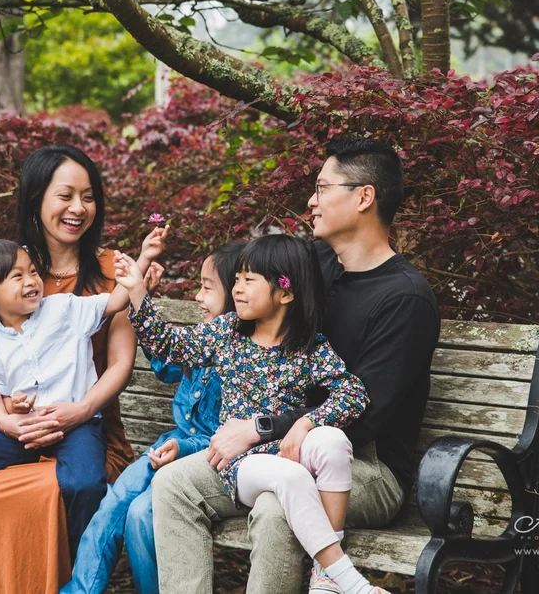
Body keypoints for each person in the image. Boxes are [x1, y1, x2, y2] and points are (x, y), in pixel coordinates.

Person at [151, 137, 440, 594]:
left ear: (364, 196)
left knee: (275, 507)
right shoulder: (313, 266)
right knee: (172, 486)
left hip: (363, 465)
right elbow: (252, 301)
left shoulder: (404, 298)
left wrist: (262, 426)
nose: (312, 200)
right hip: (274, 451)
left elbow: (367, 413)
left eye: (323, 188)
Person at [119, 233, 376, 593]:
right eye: (236, 279)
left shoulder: (309, 348)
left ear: (286, 292)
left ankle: (338, 578)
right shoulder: (227, 332)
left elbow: (353, 392)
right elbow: (171, 346)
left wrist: (307, 421)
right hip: (235, 465)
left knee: (283, 495)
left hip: (279, 464)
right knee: (170, 484)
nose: (237, 288)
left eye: (249, 280)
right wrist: (137, 293)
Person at [0, 228, 166, 594]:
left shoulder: (64, 308)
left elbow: (115, 302)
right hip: (26, 429)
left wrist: (143, 260)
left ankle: (75, 563)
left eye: (32, 272)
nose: (31, 281)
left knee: (85, 483)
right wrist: (13, 407)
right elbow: (5, 396)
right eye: (16, 277)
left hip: (78, 425)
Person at [0, 145, 142, 594]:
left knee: (49, 491)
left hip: (89, 436)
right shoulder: (11, 268)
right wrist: (4, 418)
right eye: (65, 195)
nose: (78, 208)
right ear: (37, 199)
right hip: (20, 434)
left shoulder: (108, 269)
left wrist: (80, 411)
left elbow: (121, 363)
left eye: (89, 196)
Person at [63, 240, 247, 594]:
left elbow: (237, 438)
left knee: (142, 514)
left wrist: (185, 447)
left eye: (207, 288)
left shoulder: (248, 353)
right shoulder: (202, 337)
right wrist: (140, 295)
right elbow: (165, 365)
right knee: (115, 502)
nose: (197, 297)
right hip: (172, 445)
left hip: (213, 460)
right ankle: (80, 589)